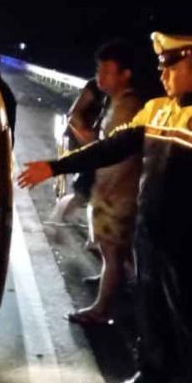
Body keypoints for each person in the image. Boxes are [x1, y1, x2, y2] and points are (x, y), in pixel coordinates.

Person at [18, 32, 192, 383]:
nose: (162, 72)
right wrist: (56, 166)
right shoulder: (157, 111)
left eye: (171, 65)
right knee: (152, 310)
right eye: (162, 65)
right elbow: (111, 147)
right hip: (151, 233)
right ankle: (153, 376)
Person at [66, 40, 143, 326]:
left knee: (112, 252)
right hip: (111, 189)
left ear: (125, 74)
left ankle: (102, 309)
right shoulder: (116, 101)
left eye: (108, 72)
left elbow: (109, 150)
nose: (101, 78)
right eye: (99, 71)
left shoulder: (129, 106)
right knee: (113, 251)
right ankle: (114, 285)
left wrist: (78, 128)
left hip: (119, 192)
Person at [50, 77, 105, 224]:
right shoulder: (96, 86)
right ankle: (58, 220)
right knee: (86, 188)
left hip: (102, 145)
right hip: (81, 140)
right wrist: (90, 143)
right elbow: (73, 115)